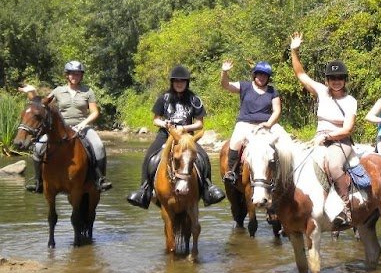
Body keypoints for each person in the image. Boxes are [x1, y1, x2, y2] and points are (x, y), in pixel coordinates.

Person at [126, 65, 225, 209]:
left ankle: (207, 188)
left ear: (187, 83)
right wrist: (165, 124)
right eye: (176, 81)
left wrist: (184, 128)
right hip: (166, 134)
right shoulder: (164, 98)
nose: (179, 84)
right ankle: (144, 190)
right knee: (150, 157)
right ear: (172, 82)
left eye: (182, 81)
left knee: (203, 156)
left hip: (186, 137)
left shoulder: (194, 99)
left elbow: (199, 124)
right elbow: (155, 120)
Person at [290, 31, 357, 229]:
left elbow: (348, 129)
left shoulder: (350, 101)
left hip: (340, 141)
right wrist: (294, 50)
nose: (336, 81)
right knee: (294, 163)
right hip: (318, 138)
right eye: (332, 78)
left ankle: (345, 210)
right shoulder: (321, 91)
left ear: (344, 80)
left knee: (335, 166)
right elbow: (300, 74)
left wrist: (329, 136)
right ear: (327, 80)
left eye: (340, 78)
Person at [19, 61, 112, 193]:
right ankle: (38, 181)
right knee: (39, 147)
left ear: (81, 76)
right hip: (61, 128)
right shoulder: (58, 91)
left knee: (98, 146)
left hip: (82, 126)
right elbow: (41, 105)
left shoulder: (88, 91)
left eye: (78, 73)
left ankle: (100, 179)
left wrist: (83, 124)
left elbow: (95, 112)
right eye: (72, 73)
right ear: (67, 75)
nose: (75, 76)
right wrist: (32, 92)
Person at [220, 59, 283, 183]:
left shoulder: (272, 91)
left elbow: (277, 110)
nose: (262, 77)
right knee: (235, 142)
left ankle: (283, 173)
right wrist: (224, 72)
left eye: (265, 75)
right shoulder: (245, 86)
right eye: (259, 74)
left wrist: (269, 123)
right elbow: (226, 85)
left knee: (283, 144)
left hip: (265, 125)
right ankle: (231, 171)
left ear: (268, 77)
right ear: (255, 74)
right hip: (245, 123)